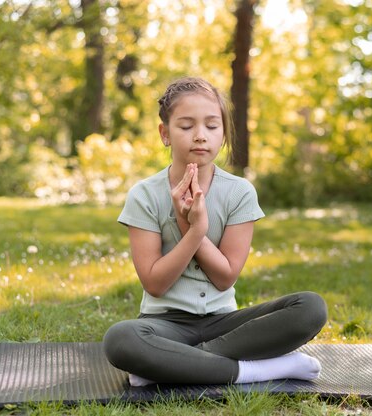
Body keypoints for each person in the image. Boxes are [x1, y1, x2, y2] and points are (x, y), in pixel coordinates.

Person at [103, 76, 327, 386]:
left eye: (211, 126)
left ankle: (174, 363)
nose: (200, 136)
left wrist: (194, 225)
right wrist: (193, 232)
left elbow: (225, 277)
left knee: (310, 308)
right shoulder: (144, 195)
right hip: (164, 324)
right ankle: (253, 371)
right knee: (120, 339)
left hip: (225, 324)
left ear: (223, 134)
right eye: (186, 126)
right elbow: (155, 284)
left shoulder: (240, 193)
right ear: (165, 134)